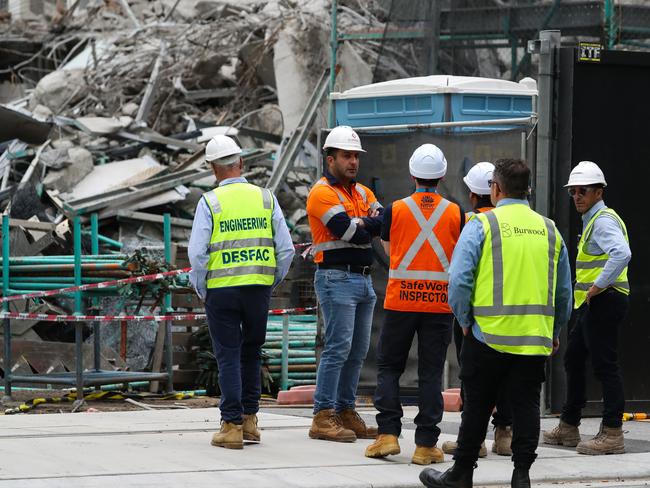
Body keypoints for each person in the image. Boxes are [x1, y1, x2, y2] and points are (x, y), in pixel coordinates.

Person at [420, 158, 572, 488]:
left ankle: (462, 473)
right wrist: (555, 330)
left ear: (496, 189)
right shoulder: (549, 230)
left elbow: (459, 280)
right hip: (533, 340)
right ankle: (521, 475)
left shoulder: (482, 225)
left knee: (476, 405)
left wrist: (463, 319)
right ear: (528, 190)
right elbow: (563, 292)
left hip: (486, 336)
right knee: (526, 406)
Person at [188, 134, 295, 449]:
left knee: (228, 354)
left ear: (212, 169)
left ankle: (232, 424)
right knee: (251, 352)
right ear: (241, 163)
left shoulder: (210, 202)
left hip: (221, 291)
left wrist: (202, 288)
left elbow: (196, 255)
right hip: (257, 290)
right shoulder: (265, 197)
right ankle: (250, 421)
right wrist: (270, 281)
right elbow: (286, 249)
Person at [364, 144, 463, 465]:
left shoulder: (395, 210)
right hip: (439, 306)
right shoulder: (455, 212)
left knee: (390, 367)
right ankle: (425, 445)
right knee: (431, 373)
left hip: (401, 302)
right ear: (442, 175)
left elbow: (392, 253)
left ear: (412, 174)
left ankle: (388, 434)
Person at [543, 161, 631, 455]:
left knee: (605, 365)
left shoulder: (603, 220)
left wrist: (598, 285)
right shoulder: (594, 219)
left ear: (599, 192)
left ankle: (612, 433)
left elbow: (622, 253)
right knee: (574, 357)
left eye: (583, 191)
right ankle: (569, 425)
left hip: (604, 300)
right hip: (595, 302)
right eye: (573, 192)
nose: (577, 196)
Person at [306, 125, 383, 442]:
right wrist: (368, 224)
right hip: (336, 278)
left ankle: (345, 409)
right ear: (330, 158)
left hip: (362, 280)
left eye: (356, 156)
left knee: (357, 351)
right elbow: (351, 232)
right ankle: (323, 416)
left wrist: (367, 224)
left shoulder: (364, 192)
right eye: (347, 156)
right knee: (338, 349)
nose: (353, 161)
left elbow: (383, 223)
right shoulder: (322, 193)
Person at [441, 162, 513, 459]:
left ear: (472, 194)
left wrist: (462, 316)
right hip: (508, 311)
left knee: (472, 376)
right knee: (508, 374)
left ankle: (473, 439)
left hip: (472, 316)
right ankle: (505, 433)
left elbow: (458, 274)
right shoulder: (508, 223)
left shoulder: (468, 223)